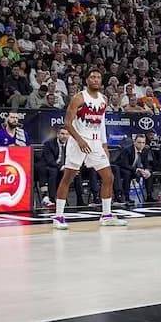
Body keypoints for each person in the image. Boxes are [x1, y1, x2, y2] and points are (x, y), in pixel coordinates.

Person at [52, 68, 127, 230]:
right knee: (68, 178)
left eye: (98, 77)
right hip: (78, 142)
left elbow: (101, 124)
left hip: (95, 143)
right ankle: (58, 216)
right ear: (87, 80)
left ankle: (106, 216)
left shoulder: (103, 99)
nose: (95, 79)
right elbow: (67, 123)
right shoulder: (79, 98)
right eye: (92, 77)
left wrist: (104, 145)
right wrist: (79, 140)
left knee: (109, 177)